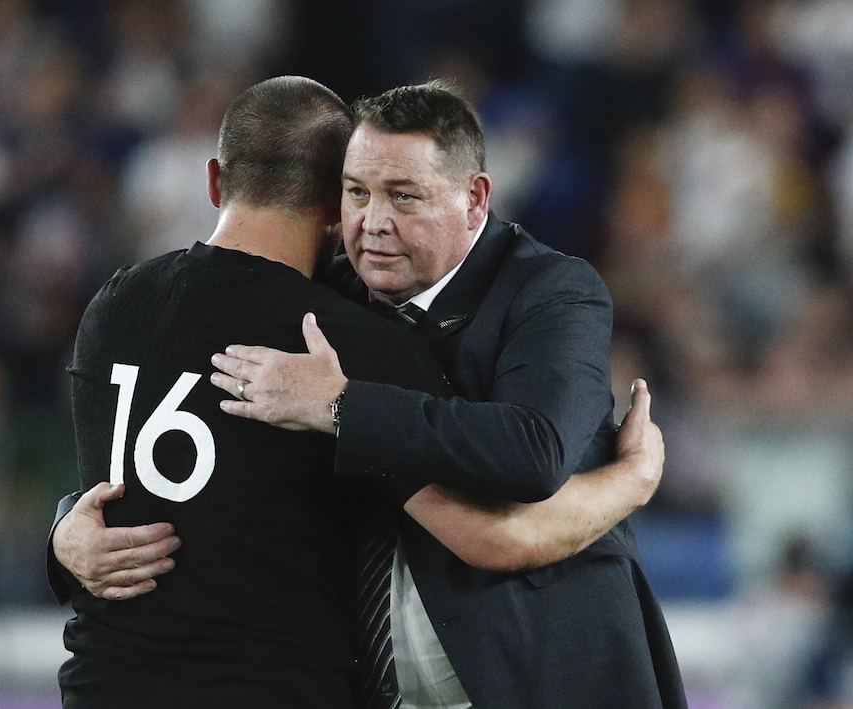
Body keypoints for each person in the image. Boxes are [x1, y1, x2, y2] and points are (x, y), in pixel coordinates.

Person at [50, 77, 670, 709]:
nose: (375, 222)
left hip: (540, 677)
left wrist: (340, 406)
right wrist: (63, 534)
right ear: (330, 204)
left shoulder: (548, 291)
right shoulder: (332, 317)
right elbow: (166, 462)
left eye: (404, 197)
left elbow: (528, 465)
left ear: (475, 199)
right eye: (357, 194)